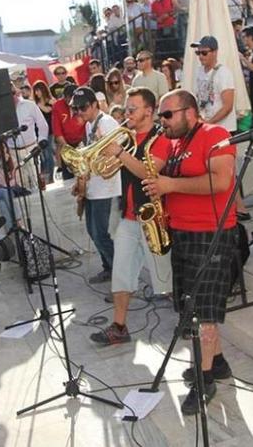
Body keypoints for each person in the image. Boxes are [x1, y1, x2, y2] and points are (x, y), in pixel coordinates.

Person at [141, 89, 238, 415]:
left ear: (190, 112)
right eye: (161, 116)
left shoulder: (215, 134)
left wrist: (170, 186)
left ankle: (204, 378)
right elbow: (151, 172)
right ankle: (219, 362)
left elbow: (222, 181)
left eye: (167, 115)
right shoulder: (174, 144)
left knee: (202, 315)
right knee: (192, 308)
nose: (162, 121)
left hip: (211, 234)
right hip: (182, 233)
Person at [90, 87, 172, 346]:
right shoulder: (128, 139)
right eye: (126, 108)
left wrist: (119, 154)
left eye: (132, 109)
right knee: (121, 274)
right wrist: (104, 157)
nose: (128, 113)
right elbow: (109, 173)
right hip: (128, 216)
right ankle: (119, 326)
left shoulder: (162, 138)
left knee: (166, 277)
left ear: (149, 110)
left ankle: (189, 319)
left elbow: (150, 172)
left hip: (154, 218)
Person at [70, 87, 121, 284]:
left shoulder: (107, 122)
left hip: (106, 187)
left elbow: (117, 151)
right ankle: (108, 268)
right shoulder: (89, 124)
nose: (79, 112)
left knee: (101, 234)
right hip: (94, 186)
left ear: (94, 105)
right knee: (93, 232)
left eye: (82, 107)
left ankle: (119, 275)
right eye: (76, 108)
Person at [191, 36, 237, 132]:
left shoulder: (223, 73)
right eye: (198, 53)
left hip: (224, 128)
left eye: (204, 53)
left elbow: (228, 106)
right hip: (206, 126)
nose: (200, 56)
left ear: (215, 52)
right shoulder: (199, 71)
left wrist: (209, 123)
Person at [9, 82, 50, 191]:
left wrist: (40, 144)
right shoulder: (1, 112)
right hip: (12, 152)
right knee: (22, 185)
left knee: (35, 183)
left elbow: (43, 125)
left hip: (31, 149)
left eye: (12, 93)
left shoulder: (30, 105)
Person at [51, 84, 84, 180]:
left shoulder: (82, 102)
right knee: (68, 177)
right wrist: (69, 151)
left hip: (82, 143)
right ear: (64, 97)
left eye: (72, 99)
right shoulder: (57, 106)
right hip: (66, 145)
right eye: (67, 99)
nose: (70, 102)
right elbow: (57, 131)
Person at [32, 80, 57, 183]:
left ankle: (50, 177)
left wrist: (38, 105)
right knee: (42, 155)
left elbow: (48, 110)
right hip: (38, 131)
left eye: (38, 90)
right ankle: (44, 176)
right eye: (35, 91)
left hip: (49, 130)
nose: (37, 93)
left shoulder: (50, 100)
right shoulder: (35, 103)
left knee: (48, 153)